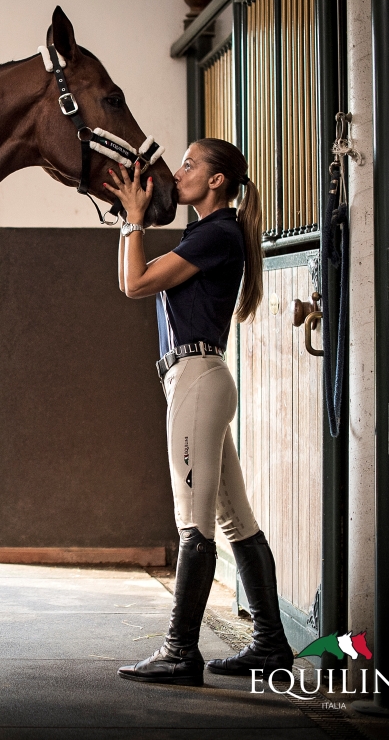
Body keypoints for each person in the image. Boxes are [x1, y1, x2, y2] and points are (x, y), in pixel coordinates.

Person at [105, 138, 293, 687]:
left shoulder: (218, 232)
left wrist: (134, 219)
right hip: (197, 381)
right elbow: (131, 283)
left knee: (195, 524)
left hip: (197, 381)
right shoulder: (211, 234)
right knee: (237, 521)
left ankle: (179, 651)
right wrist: (129, 221)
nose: (179, 173)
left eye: (190, 165)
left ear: (216, 181)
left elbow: (136, 283)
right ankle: (271, 644)